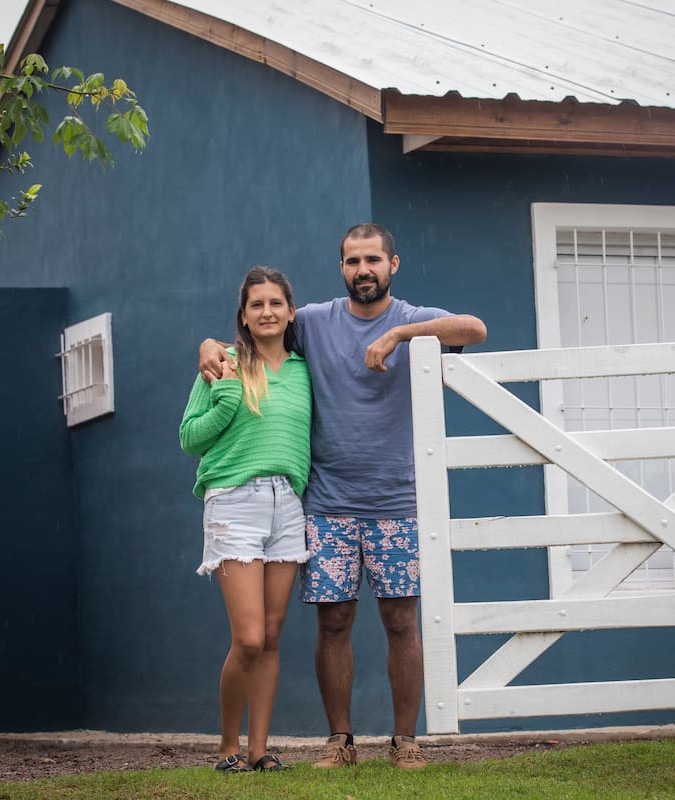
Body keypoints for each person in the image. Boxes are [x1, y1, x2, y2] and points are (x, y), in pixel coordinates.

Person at [200, 224, 487, 769]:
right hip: (327, 505)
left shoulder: (411, 319)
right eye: (353, 261)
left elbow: (474, 328)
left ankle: (406, 741)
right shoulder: (313, 322)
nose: (363, 270)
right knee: (333, 623)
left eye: (373, 259)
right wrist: (207, 347)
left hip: (397, 502)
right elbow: (254, 330)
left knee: (402, 621)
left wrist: (403, 337)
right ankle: (341, 742)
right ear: (341, 269)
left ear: (392, 265)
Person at [180, 267, 312, 773]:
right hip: (235, 502)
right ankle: (227, 748)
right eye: (256, 305)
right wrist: (228, 398)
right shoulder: (224, 365)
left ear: (290, 311)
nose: (267, 312)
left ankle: (259, 751)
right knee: (250, 638)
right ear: (244, 315)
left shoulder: (304, 369)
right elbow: (190, 438)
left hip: (289, 504)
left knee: (274, 636)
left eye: (275, 303)